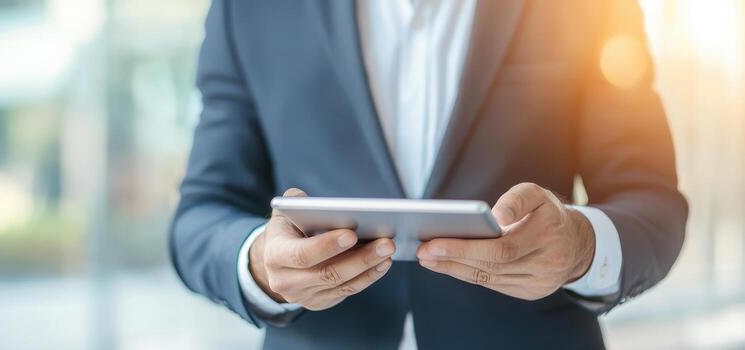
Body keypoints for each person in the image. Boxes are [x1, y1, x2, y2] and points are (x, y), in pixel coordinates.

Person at [170, 1, 688, 349]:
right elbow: (202, 212)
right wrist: (259, 264)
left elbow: (652, 202)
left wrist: (581, 247)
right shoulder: (249, 9)